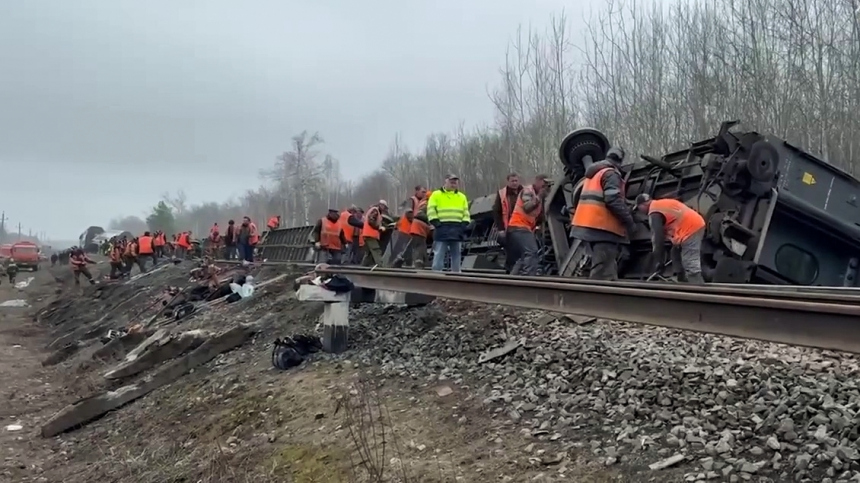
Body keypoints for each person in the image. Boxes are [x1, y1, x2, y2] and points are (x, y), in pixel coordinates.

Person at [570, 147, 638, 280]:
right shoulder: (610, 173)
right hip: (601, 227)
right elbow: (612, 199)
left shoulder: (594, 173)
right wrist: (629, 221)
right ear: (620, 161)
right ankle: (596, 299)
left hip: (587, 225)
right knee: (603, 272)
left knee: (604, 266)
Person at [635, 194, 706, 283]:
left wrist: (659, 261)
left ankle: (698, 288)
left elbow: (657, 238)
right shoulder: (661, 204)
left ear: (642, 205)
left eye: (639, 208)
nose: (640, 211)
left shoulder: (654, 212)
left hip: (690, 229)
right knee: (675, 252)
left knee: (690, 263)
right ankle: (682, 280)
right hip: (694, 224)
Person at [506, 175, 551, 276]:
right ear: (538, 181)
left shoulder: (538, 195)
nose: (546, 187)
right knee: (531, 252)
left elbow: (539, 216)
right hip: (519, 226)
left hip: (522, 227)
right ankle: (528, 278)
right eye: (544, 184)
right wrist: (539, 197)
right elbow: (527, 207)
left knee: (524, 255)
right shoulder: (528, 191)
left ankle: (512, 278)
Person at [427, 174, 470, 273]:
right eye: (451, 182)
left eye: (455, 182)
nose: (453, 184)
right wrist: (436, 223)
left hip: (457, 228)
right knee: (439, 253)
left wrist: (463, 224)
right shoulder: (436, 195)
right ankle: (437, 274)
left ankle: (456, 274)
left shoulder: (462, 197)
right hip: (442, 227)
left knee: (456, 254)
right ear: (445, 182)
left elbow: (466, 212)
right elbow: (431, 209)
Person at [493, 173, 523, 273]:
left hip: (524, 226)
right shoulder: (502, 194)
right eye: (512, 181)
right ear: (508, 182)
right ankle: (510, 272)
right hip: (510, 227)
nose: (515, 183)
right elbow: (497, 211)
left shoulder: (525, 192)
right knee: (511, 252)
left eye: (516, 181)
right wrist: (500, 229)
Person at [360, 201, 389, 266]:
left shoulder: (376, 212)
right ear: (381, 205)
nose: (384, 209)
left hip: (367, 234)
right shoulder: (375, 211)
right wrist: (379, 227)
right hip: (370, 235)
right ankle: (381, 266)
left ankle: (363, 267)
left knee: (369, 254)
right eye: (384, 207)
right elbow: (371, 220)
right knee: (376, 250)